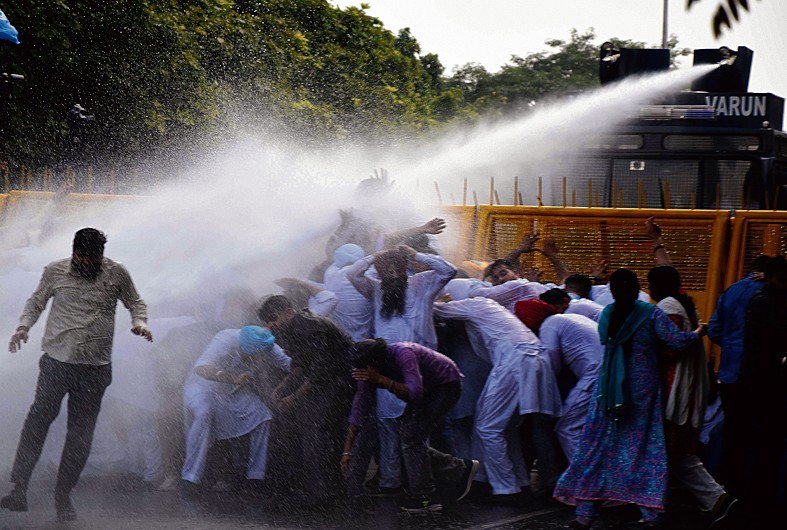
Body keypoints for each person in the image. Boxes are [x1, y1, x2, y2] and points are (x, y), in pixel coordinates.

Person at [2, 228, 152, 522]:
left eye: (94, 259)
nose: (88, 264)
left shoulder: (117, 273)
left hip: (95, 368)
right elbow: (36, 302)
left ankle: (63, 496)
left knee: (80, 434)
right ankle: (19, 488)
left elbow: (136, 302)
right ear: (74, 254)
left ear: (101, 255)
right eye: (83, 258)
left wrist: (140, 322)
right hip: (57, 362)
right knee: (38, 420)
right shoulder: (55, 271)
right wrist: (23, 327)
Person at [553, 268, 704, 529]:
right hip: (641, 391)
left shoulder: (608, 314)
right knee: (642, 449)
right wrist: (699, 332)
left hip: (609, 389)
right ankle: (650, 515)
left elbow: (605, 340)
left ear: (611, 291)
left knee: (598, 447)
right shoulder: (650, 313)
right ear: (637, 289)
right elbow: (677, 342)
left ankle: (585, 514)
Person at [434, 291, 563, 503]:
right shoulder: (496, 310)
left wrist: (439, 299)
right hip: (529, 358)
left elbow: (435, 310)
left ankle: (506, 489)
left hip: (514, 360)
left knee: (487, 427)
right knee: (506, 429)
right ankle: (519, 483)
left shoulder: (475, 304)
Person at [347, 244, 456, 494]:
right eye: (387, 270)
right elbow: (352, 274)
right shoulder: (375, 289)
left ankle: (419, 485)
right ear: (379, 272)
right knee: (388, 427)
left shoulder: (423, 283)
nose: (393, 274)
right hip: (385, 367)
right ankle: (390, 482)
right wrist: (374, 256)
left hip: (420, 368)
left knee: (417, 431)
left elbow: (449, 270)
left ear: (405, 267)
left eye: (397, 268)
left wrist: (415, 254)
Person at [647, 265, 738, 526]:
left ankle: (717, 500)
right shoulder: (684, 305)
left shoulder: (667, 307)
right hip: (687, 389)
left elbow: (669, 349)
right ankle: (661, 508)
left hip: (673, 390)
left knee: (673, 452)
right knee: (674, 453)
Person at [342, 339, 478, 513]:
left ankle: (425, 498)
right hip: (428, 389)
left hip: (445, 384)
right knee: (407, 437)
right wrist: (347, 450)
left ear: (375, 363)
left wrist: (381, 379)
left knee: (411, 437)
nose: (363, 373)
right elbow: (358, 410)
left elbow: (415, 393)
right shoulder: (368, 371)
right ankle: (458, 469)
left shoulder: (404, 353)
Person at [257, 294, 354, 507]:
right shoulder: (290, 328)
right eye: (268, 321)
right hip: (326, 381)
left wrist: (294, 396)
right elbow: (300, 364)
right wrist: (281, 389)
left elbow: (320, 370)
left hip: (340, 381)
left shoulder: (310, 327)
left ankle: (323, 493)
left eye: (274, 318)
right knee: (306, 429)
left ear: (289, 312)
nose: (272, 324)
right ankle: (319, 488)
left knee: (316, 432)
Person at [181, 325, 290, 490]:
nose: (257, 360)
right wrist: (232, 378)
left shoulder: (266, 342)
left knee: (263, 416)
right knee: (204, 414)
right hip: (204, 387)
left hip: (234, 391)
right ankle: (190, 477)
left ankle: (255, 476)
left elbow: (288, 363)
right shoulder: (225, 338)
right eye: (253, 357)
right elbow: (201, 368)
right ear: (244, 349)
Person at [708, 254, 771, 496]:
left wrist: (732, 347)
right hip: (759, 375)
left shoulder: (731, 291)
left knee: (733, 429)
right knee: (759, 430)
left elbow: (714, 330)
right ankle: (754, 487)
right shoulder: (771, 295)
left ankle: (729, 485)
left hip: (729, 374)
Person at [517, 300, 603, 462]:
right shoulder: (567, 318)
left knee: (567, 427)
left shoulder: (549, 326)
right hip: (607, 370)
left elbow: (551, 367)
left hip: (596, 374)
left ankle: (583, 479)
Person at [739, 255, 787, 522]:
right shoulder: (767, 304)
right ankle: (759, 501)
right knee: (765, 445)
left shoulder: (756, 299)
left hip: (754, 382)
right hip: (764, 385)